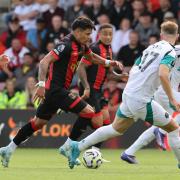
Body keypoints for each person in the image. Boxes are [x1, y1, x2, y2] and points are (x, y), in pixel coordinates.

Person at [0, 16, 122, 168]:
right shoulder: (66, 45)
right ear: (77, 31)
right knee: (89, 112)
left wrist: (109, 62)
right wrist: (41, 84)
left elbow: (91, 57)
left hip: (58, 91)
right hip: (55, 90)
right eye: (87, 33)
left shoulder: (82, 45)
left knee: (37, 123)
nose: (89, 37)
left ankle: (8, 149)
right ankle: (67, 147)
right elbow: (44, 61)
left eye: (90, 34)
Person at [64, 21, 180, 169]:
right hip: (141, 100)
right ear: (177, 36)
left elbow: (135, 67)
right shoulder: (169, 52)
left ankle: (77, 147)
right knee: (174, 128)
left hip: (129, 93)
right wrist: (171, 98)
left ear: (161, 35)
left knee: (115, 129)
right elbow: (163, 74)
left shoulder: (151, 48)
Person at [60, 23, 120, 156]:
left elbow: (106, 68)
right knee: (98, 124)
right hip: (90, 90)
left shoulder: (108, 49)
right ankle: (73, 147)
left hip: (98, 91)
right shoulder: (95, 48)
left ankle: (92, 152)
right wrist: (86, 87)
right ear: (99, 35)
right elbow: (81, 67)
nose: (108, 37)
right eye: (105, 34)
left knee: (106, 124)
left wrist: (119, 75)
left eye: (110, 34)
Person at [121, 45, 180, 164]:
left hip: (163, 90)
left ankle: (129, 152)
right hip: (166, 90)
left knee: (167, 125)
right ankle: (161, 132)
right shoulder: (175, 49)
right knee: (166, 127)